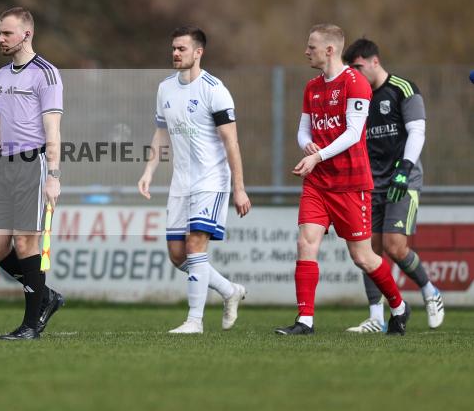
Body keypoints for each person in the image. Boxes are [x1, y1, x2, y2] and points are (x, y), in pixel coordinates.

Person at [276, 24, 411, 336]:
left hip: (351, 183)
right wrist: (306, 145)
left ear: (329, 50)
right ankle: (305, 321)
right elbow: (303, 129)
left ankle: (399, 307)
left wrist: (318, 155)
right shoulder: (312, 87)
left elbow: (353, 133)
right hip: (318, 182)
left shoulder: (356, 82)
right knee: (305, 242)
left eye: (311, 47)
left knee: (362, 257)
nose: (306, 51)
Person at [138, 26, 251, 334]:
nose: (175, 53)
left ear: (198, 52)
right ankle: (229, 290)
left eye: (182, 49)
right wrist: (148, 172)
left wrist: (239, 189)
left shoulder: (214, 89)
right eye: (173, 48)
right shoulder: (165, 89)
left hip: (211, 180)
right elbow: (161, 134)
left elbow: (231, 143)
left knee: (195, 246)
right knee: (178, 255)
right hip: (180, 183)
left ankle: (194, 321)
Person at [342, 38, 443, 332]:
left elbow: (418, 131)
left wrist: (405, 167)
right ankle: (376, 317)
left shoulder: (403, 89)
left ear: (375, 61)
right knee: (367, 251)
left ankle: (429, 291)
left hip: (403, 179)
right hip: (370, 182)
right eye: (353, 69)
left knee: (395, 247)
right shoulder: (357, 96)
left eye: (359, 67)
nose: (356, 74)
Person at [0, 7, 65, 340]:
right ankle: (45, 296)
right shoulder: (0, 76)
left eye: (6, 33)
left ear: (26, 34)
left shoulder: (46, 74)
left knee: (26, 242)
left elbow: (52, 130)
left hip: (33, 164)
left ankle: (30, 325)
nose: (0, 38)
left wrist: (53, 175)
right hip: (4, 167)